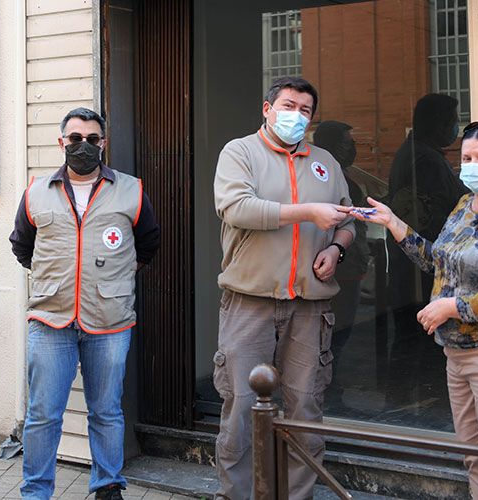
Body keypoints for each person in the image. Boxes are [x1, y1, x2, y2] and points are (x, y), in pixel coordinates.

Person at [351, 120, 478, 499]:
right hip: (458, 356)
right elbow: (438, 262)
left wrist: (452, 306)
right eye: (467, 157)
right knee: (475, 460)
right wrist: (394, 223)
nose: (473, 164)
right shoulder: (463, 207)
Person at [212, 77, 355, 499]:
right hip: (249, 302)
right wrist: (307, 211)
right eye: (288, 106)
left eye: (305, 110)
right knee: (240, 408)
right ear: (267, 109)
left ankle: (297, 496)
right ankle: (238, 495)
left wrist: (337, 250)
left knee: (305, 411)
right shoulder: (240, 152)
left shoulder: (325, 161)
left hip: (310, 307)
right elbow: (236, 208)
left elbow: (346, 221)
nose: (296, 115)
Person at [9, 108, 161, 500]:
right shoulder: (36, 191)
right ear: (62, 142)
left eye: (92, 139)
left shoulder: (131, 190)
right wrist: (57, 279)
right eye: (75, 138)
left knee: (106, 412)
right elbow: (22, 246)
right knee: (43, 416)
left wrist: (115, 278)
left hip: (109, 320)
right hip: (51, 320)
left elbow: (148, 243)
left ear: (103, 143)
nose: (84, 146)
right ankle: (36, 492)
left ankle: (107, 487)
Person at [387, 94, 467, 340]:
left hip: (416, 268)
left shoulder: (420, 153)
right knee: (418, 345)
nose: (455, 127)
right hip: (424, 270)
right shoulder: (426, 160)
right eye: (453, 120)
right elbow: (434, 218)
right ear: (438, 123)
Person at [312, 120, 370, 407]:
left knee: (341, 330)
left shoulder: (342, 173)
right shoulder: (327, 176)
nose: (353, 149)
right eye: (347, 143)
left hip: (351, 263)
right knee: (335, 331)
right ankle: (329, 392)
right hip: (339, 268)